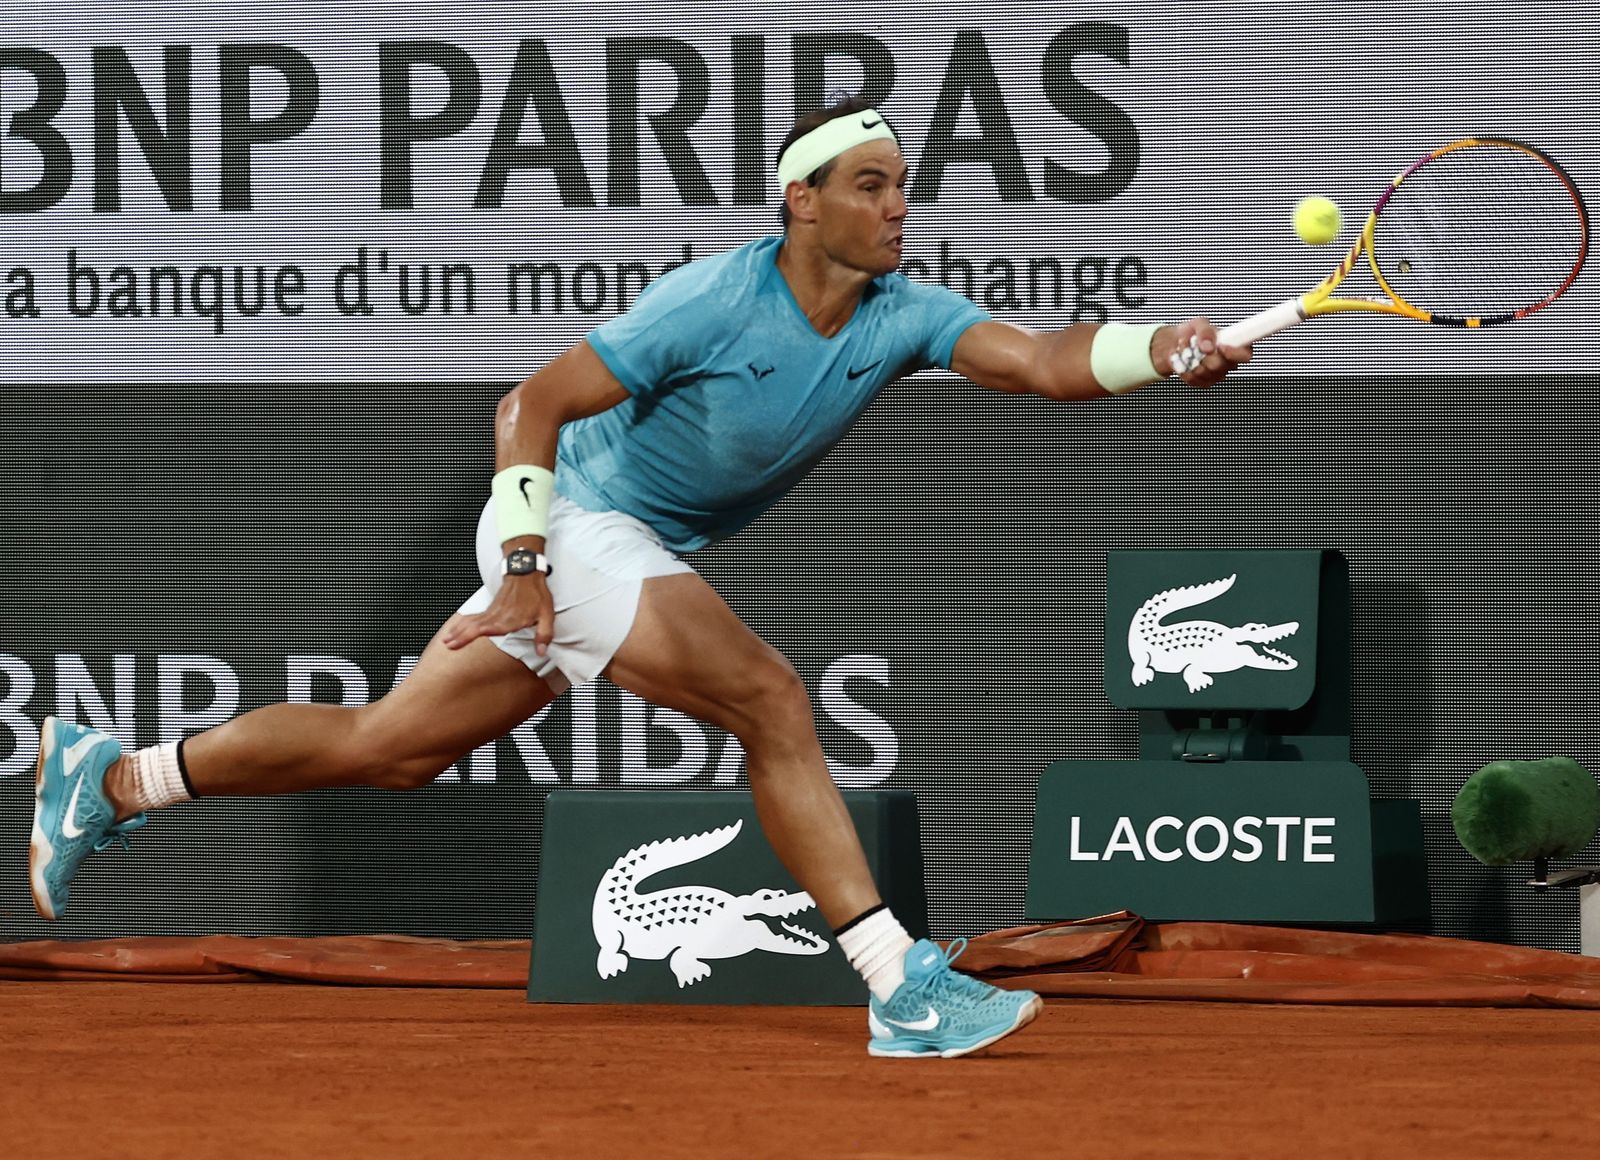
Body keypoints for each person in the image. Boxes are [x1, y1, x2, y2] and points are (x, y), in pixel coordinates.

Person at [29, 97, 1247, 1058]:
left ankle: (117, 778)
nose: (895, 208)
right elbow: (531, 403)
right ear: (801, 201)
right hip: (566, 522)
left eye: (902, 186)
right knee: (768, 695)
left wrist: (1162, 347)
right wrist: (522, 563)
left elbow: (1039, 357)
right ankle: (899, 985)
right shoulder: (712, 299)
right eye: (868, 186)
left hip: (601, 550)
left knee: (387, 747)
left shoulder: (900, 311)